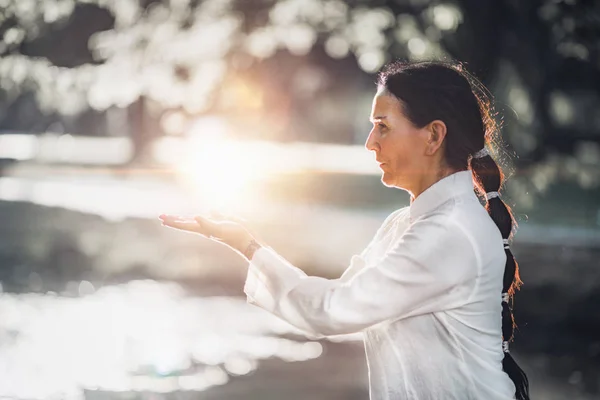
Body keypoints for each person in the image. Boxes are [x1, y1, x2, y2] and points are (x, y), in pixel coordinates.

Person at [159, 60, 530, 400]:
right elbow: (338, 298)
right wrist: (246, 243)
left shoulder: (449, 233)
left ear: (433, 136)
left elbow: (330, 310)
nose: (370, 143)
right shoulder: (405, 225)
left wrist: (248, 245)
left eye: (382, 126)